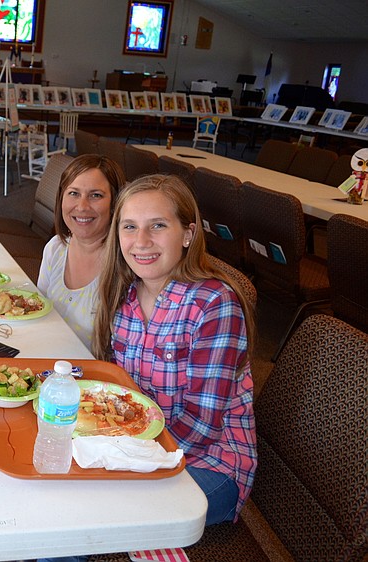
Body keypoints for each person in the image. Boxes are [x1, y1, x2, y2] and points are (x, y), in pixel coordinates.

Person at [93, 174, 257, 527]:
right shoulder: (125, 296)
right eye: (129, 227)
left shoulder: (213, 303)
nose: (141, 241)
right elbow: (117, 390)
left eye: (158, 225)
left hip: (209, 465)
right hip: (139, 447)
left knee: (92, 512)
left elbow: (202, 425)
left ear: (188, 234)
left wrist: (125, 457)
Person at [37, 155, 125, 352]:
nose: (82, 206)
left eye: (96, 195)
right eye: (74, 193)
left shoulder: (125, 266)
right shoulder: (56, 248)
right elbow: (38, 311)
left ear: (114, 204)